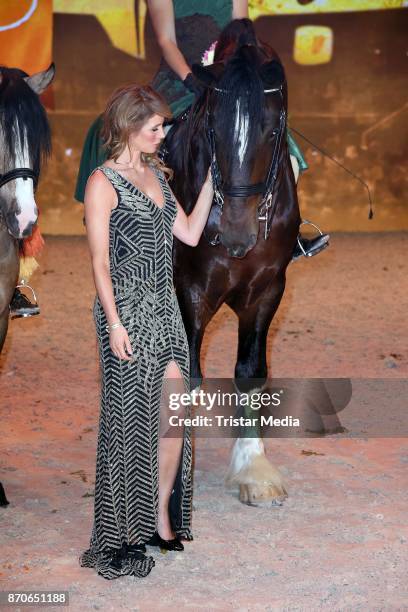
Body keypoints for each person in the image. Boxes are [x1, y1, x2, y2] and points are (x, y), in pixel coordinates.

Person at [80, 84, 214, 580]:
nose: (163, 134)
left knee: (174, 410)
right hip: (127, 311)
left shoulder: (156, 174)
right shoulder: (103, 182)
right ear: (128, 126)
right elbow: (98, 263)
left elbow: (190, 234)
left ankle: (159, 513)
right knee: (130, 421)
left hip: (165, 309)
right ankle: (124, 528)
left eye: (164, 126)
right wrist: (113, 322)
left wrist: (209, 188)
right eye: (155, 127)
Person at [74, 1, 328, 260]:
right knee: (140, 137)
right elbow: (166, 41)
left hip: (227, 81)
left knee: (288, 152)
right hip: (180, 79)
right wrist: (190, 78)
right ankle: (126, 226)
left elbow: (243, 36)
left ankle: (286, 233)